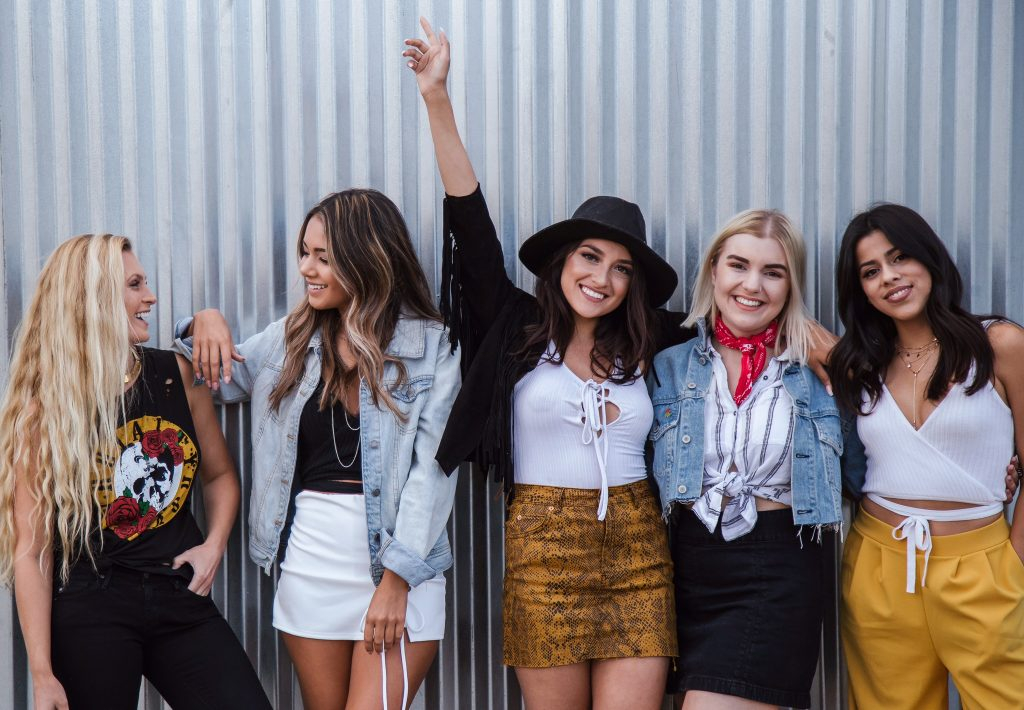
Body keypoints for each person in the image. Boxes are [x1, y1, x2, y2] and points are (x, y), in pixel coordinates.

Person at [403, 18, 833, 709]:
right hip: (540, 558)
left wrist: (811, 333)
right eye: (589, 257)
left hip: (639, 556)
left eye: (621, 268)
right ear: (561, 262)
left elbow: (741, 310)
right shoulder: (515, 327)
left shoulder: (654, 342)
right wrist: (437, 99)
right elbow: (468, 221)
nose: (601, 278)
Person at [174, 188, 461, 710]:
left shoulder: (432, 348)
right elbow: (209, 376)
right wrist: (203, 322)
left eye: (323, 257)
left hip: (401, 569)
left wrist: (396, 581)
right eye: (304, 253)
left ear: (367, 258)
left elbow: (434, 473)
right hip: (310, 566)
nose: (307, 268)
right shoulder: (291, 338)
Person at [0, 235, 270, 710]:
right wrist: (42, 674)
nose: (151, 297)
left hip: (177, 593)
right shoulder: (47, 408)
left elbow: (220, 477)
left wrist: (213, 547)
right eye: (135, 285)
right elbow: (32, 548)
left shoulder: (176, 375)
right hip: (91, 602)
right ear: (96, 297)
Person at [829, 204, 1024, 709]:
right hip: (878, 564)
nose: (889, 278)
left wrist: (1015, 562)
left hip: (984, 564)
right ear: (861, 290)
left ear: (930, 260)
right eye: (870, 271)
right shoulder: (859, 365)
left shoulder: (999, 344)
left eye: (900, 258)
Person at [649, 210, 843, 709]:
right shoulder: (669, 363)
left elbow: (881, 451)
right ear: (714, 269)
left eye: (773, 272)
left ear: (790, 284)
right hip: (686, 569)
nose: (752, 285)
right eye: (738, 265)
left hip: (777, 569)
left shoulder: (815, 367)